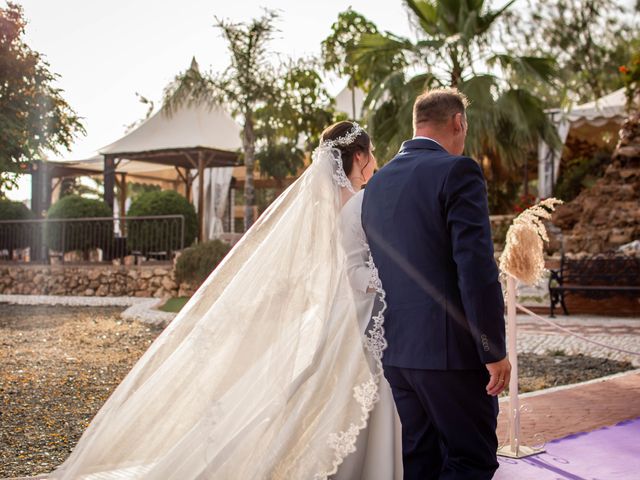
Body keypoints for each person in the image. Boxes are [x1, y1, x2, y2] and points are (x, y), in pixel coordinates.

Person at [49, 121, 402, 479]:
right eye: (370, 153)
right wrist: (388, 277)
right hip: (352, 313)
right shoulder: (358, 206)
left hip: (340, 312)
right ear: (357, 157)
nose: (374, 161)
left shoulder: (326, 205)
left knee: (319, 390)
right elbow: (354, 271)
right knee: (336, 389)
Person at [362, 88, 511, 480]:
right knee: (471, 460)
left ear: (417, 124)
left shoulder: (376, 185)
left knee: (422, 461)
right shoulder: (457, 170)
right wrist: (492, 347)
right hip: (451, 356)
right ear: (458, 122)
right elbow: (476, 268)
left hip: (397, 354)